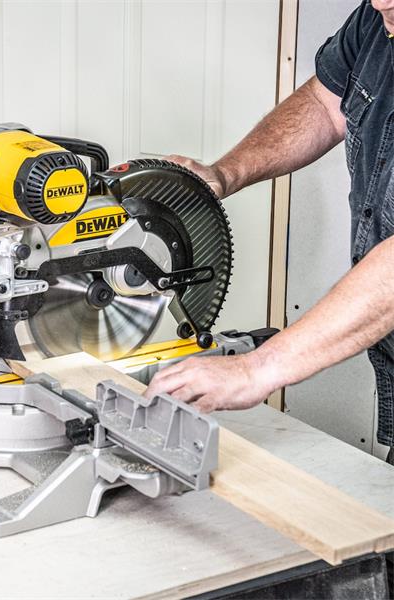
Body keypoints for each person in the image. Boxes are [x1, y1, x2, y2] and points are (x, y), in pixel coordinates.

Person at [145, 0, 394, 460]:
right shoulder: (377, 20)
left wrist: (258, 369)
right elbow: (326, 103)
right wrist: (224, 174)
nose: (382, 3)